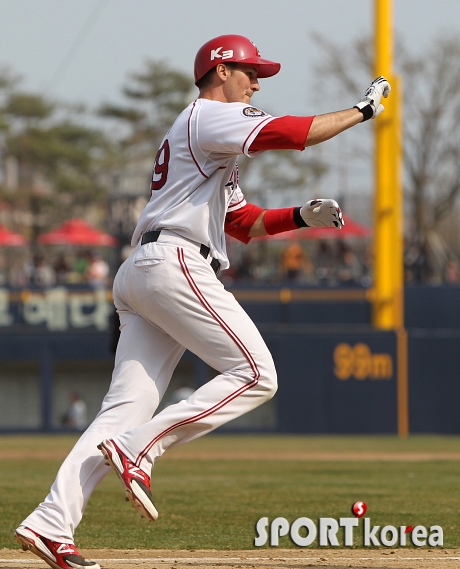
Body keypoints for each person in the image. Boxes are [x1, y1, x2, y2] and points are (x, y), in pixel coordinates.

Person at [15, 34, 390, 569]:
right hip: (174, 264)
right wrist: (361, 110)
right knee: (258, 374)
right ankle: (141, 449)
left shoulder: (208, 137)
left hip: (146, 269)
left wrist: (300, 218)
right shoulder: (210, 117)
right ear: (220, 71)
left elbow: (242, 222)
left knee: (122, 411)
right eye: (250, 71)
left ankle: (52, 521)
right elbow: (292, 134)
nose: (257, 82)